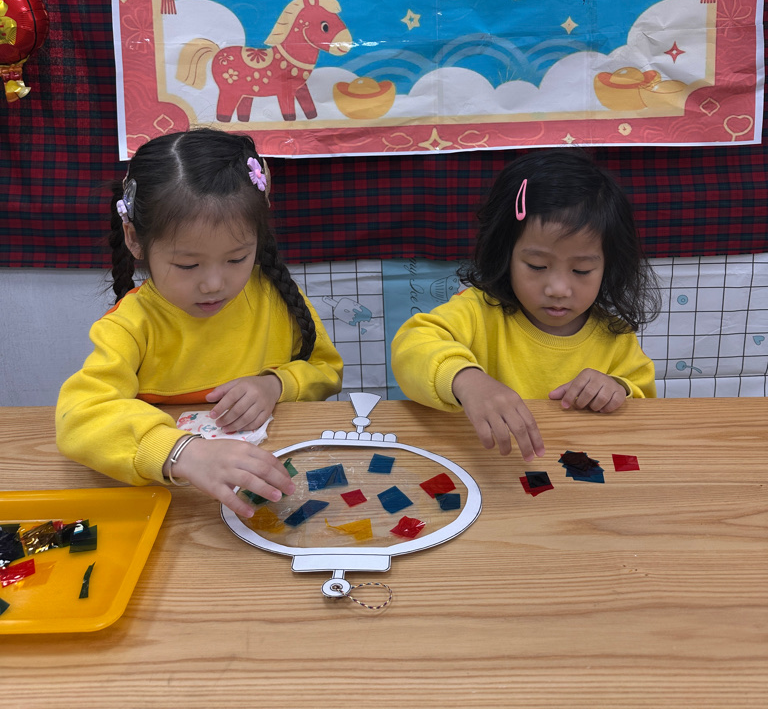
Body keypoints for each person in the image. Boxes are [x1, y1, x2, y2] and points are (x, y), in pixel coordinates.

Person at [56, 128, 343, 516]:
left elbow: (326, 370)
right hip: (173, 502)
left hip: (270, 485)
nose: (213, 284)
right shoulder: (130, 326)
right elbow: (79, 417)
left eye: (236, 259)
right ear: (134, 239)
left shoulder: (274, 296)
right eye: (188, 265)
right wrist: (181, 452)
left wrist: (276, 384)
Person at [391, 149, 659, 462]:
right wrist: (465, 379)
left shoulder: (615, 336)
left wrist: (616, 388)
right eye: (536, 265)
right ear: (505, 255)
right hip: (485, 465)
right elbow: (411, 345)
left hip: (575, 473)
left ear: (608, 266)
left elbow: (643, 398)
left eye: (582, 270)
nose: (558, 289)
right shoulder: (477, 311)